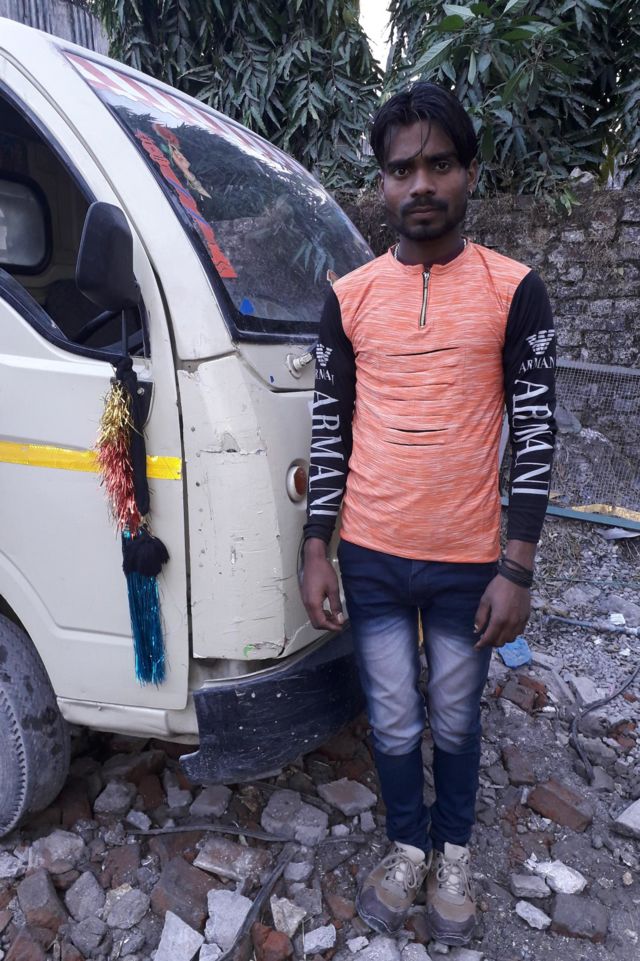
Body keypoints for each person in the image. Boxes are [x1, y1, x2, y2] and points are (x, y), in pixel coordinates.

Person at [300, 81, 556, 946]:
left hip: (467, 561)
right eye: (401, 168)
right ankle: (408, 846)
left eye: (439, 164)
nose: (420, 184)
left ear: (470, 172)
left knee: (453, 714)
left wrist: (517, 566)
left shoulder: (515, 290)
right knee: (392, 714)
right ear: (381, 182)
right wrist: (316, 547)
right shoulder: (349, 297)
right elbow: (329, 429)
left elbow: (535, 433)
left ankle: (455, 854)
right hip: (371, 554)